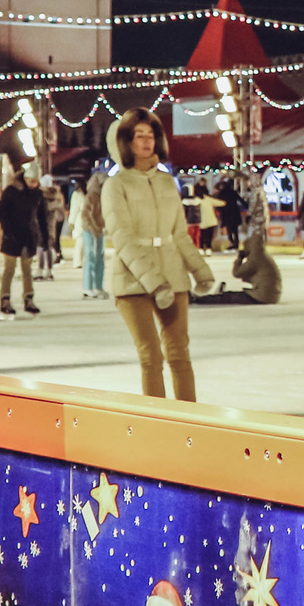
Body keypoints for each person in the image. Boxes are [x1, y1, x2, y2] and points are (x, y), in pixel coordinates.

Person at [102, 110, 214, 398]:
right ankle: (157, 424)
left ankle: (190, 420)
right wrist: (154, 283)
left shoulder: (166, 182)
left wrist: (199, 270)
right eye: (138, 136)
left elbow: (178, 234)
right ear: (125, 142)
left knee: (180, 354)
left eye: (150, 135)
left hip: (172, 276)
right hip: (132, 282)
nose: (146, 141)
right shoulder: (115, 186)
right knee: (151, 357)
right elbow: (123, 239)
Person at [0, 164, 46, 317]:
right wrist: (8, 230)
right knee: (9, 269)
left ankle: (28, 298)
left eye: (36, 182)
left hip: (28, 236)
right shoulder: (12, 191)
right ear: (25, 178)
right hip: (12, 236)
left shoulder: (37, 194)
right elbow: (0, 211)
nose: (34, 185)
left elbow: (42, 216)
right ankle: (5, 299)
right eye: (31, 181)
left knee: (27, 270)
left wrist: (45, 238)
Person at [79, 169, 109, 298]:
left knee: (99, 259)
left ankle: (98, 286)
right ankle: (88, 287)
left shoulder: (102, 196)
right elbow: (87, 215)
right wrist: (95, 227)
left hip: (98, 230)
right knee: (91, 258)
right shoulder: (91, 196)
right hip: (90, 231)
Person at [40, 171, 69, 279]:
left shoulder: (41, 195)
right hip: (51, 223)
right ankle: (47, 269)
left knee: (44, 247)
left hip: (46, 223)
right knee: (47, 246)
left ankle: (43, 269)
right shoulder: (55, 195)